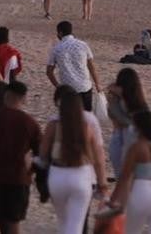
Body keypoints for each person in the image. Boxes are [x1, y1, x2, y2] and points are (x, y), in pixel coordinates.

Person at [0, 81, 42, 234]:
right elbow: (41, 154)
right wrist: (31, 171)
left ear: (6, 96)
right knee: (13, 222)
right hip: (18, 177)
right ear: (24, 98)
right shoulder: (30, 122)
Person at [41, 87, 109, 234]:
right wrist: (102, 183)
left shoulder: (53, 124)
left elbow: (43, 153)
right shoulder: (87, 126)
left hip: (57, 175)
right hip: (81, 174)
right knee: (76, 226)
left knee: (63, 222)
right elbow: (98, 157)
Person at [107, 110, 151, 234]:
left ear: (139, 127)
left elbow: (124, 178)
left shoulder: (136, 147)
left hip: (142, 192)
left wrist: (112, 202)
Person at [46, 21, 101, 112]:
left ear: (60, 33)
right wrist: (97, 84)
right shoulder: (83, 45)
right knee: (86, 117)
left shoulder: (56, 49)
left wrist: (58, 86)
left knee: (71, 118)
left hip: (68, 89)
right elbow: (91, 67)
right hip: (85, 87)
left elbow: (49, 72)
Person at [106, 68, 149, 177]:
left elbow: (126, 122)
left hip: (124, 137)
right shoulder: (136, 97)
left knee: (125, 177)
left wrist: (114, 101)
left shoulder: (129, 100)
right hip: (123, 137)